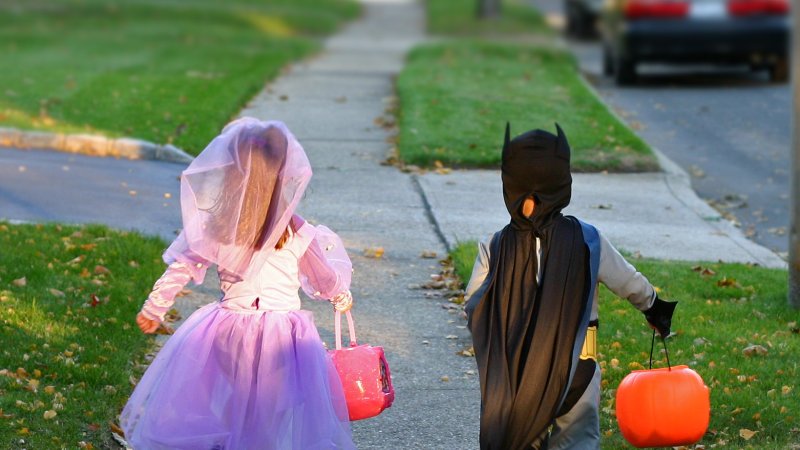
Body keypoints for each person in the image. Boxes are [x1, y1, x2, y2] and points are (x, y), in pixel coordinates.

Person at [120, 117, 356, 449]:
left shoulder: (219, 225)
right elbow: (324, 278)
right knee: (269, 412)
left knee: (238, 403)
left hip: (229, 332)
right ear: (281, 174)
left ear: (230, 171)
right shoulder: (296, 229)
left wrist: (155, 307)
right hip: (282, 337)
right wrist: (339, 292)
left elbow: (182, 266)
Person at [464, 123, 676, 450]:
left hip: (517, 374)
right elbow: (630, 282)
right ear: (562, 185)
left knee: (519, 439)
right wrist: (654, 307)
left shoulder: (493, 246)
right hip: (578, 365)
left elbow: (474, 301)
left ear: (509, 185)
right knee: (576, 439)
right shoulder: (587, 240)